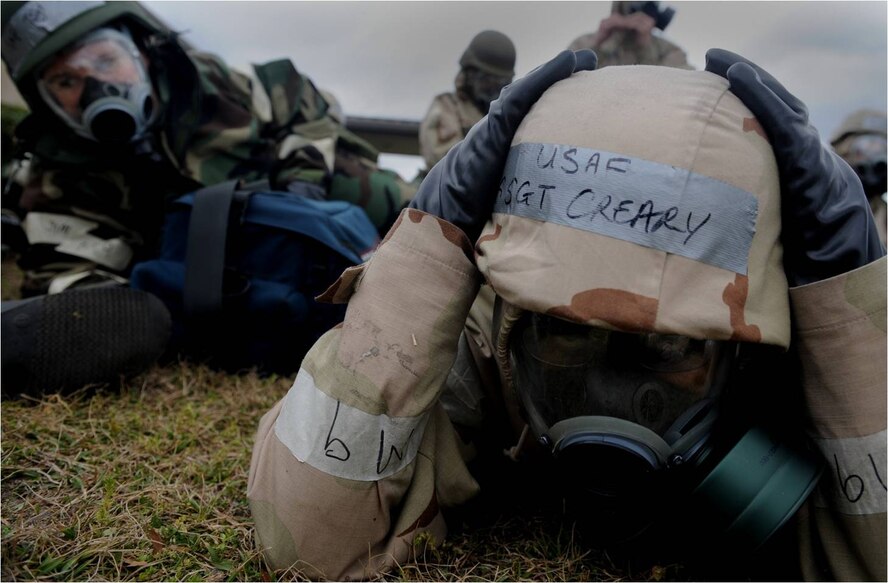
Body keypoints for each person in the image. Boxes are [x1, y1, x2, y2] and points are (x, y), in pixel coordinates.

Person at [247, 47, 886, 581]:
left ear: (742, 350)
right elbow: (307, 541)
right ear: (515, 324)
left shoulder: (798, 364)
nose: (608, 392)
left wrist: (848, 315)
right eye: (563, 332)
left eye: (667, 348)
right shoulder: (485, 346)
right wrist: (422, 256)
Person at [0, 1, 414, 396]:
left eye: (106, 61)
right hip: (203, 259)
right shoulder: (60, 175)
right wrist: (125, 308)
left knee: (385, 195)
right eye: (66, 81)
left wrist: (300, 183)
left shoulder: (205, 81)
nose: (97, 89)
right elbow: (67, 272)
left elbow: (298, 102)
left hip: (292, 199)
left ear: (140, 52)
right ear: (47, 102)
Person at [418, 30, 516, 172]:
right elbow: (445, 164)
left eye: (500, 82)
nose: (493, 88)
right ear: (470, 75)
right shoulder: (447, 107)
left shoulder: (504, 114)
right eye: (487, 80)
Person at [569, 1, 690, 69]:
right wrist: (597, 43)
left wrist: (645, 47)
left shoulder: (670, 51)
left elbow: (679, 85)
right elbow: (566, 76)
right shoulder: (583, 43)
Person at [830, 109, 887, 246]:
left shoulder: (883, 217)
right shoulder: (819, 211)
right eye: (867, 147)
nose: (878, 158)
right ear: (842, 152)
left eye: (884, 149)